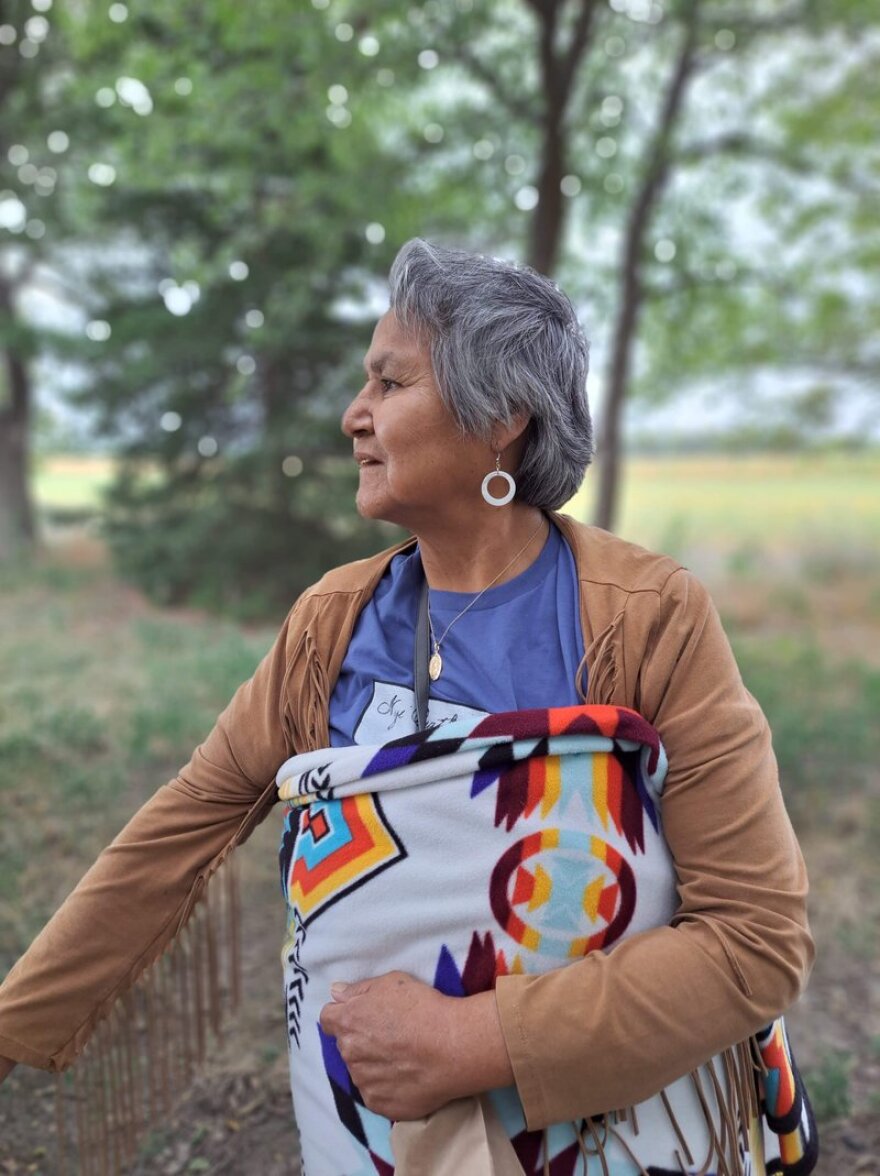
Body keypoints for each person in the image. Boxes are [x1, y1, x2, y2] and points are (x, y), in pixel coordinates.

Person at [0, 239, 814, 1174]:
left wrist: (472, 1043)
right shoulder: (331, 626)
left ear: (501, 417)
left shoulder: (644, 620)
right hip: (366, 1134)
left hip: (615, 1134)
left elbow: (757, 937)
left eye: (390, 384)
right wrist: (14, 1028)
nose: (354, 416)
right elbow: (175, 833)